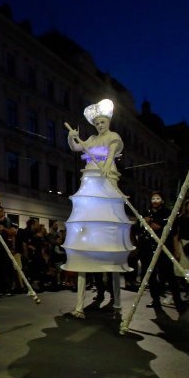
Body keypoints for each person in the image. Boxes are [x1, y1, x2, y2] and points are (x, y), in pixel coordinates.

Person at [62, 99, 133, 317]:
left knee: (110, 237)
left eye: (103, 121)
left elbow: (112, 153)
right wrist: (72, 135)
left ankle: (118, 305)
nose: (100, 125)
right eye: (97, 123)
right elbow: (76, 147)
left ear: (109, 121)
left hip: (105, 178)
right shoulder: (91, 139)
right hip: (91, 180)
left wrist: (106, 164)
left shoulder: (113, 137)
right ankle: (79, 306)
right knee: (85, 248)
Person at [139, 192, 187, 311]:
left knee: (170, 276)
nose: (155, 201)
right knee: (151, 277)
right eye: (153, 199)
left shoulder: (168, 214)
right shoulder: (146, 213)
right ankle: (155, 300)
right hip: (148, 249)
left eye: (158, 198)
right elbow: (138, 228)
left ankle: (178, 301)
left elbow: (173, 231)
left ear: (162, 200)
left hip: (164, 249)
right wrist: (142, 222)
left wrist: (176, 249)